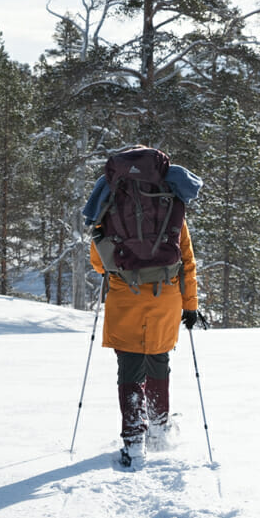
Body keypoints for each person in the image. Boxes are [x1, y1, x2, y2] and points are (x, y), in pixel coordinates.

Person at [87, 149, 201, 468]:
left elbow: (99, 261)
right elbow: (186, 261)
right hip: (165, 295)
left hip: (125, 296)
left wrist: (125, 272)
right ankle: (160, 427)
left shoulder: (109, 203)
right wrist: (189, 306)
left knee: (130, 366)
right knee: (158, 360)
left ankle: (134, 440)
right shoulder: (171, 203)